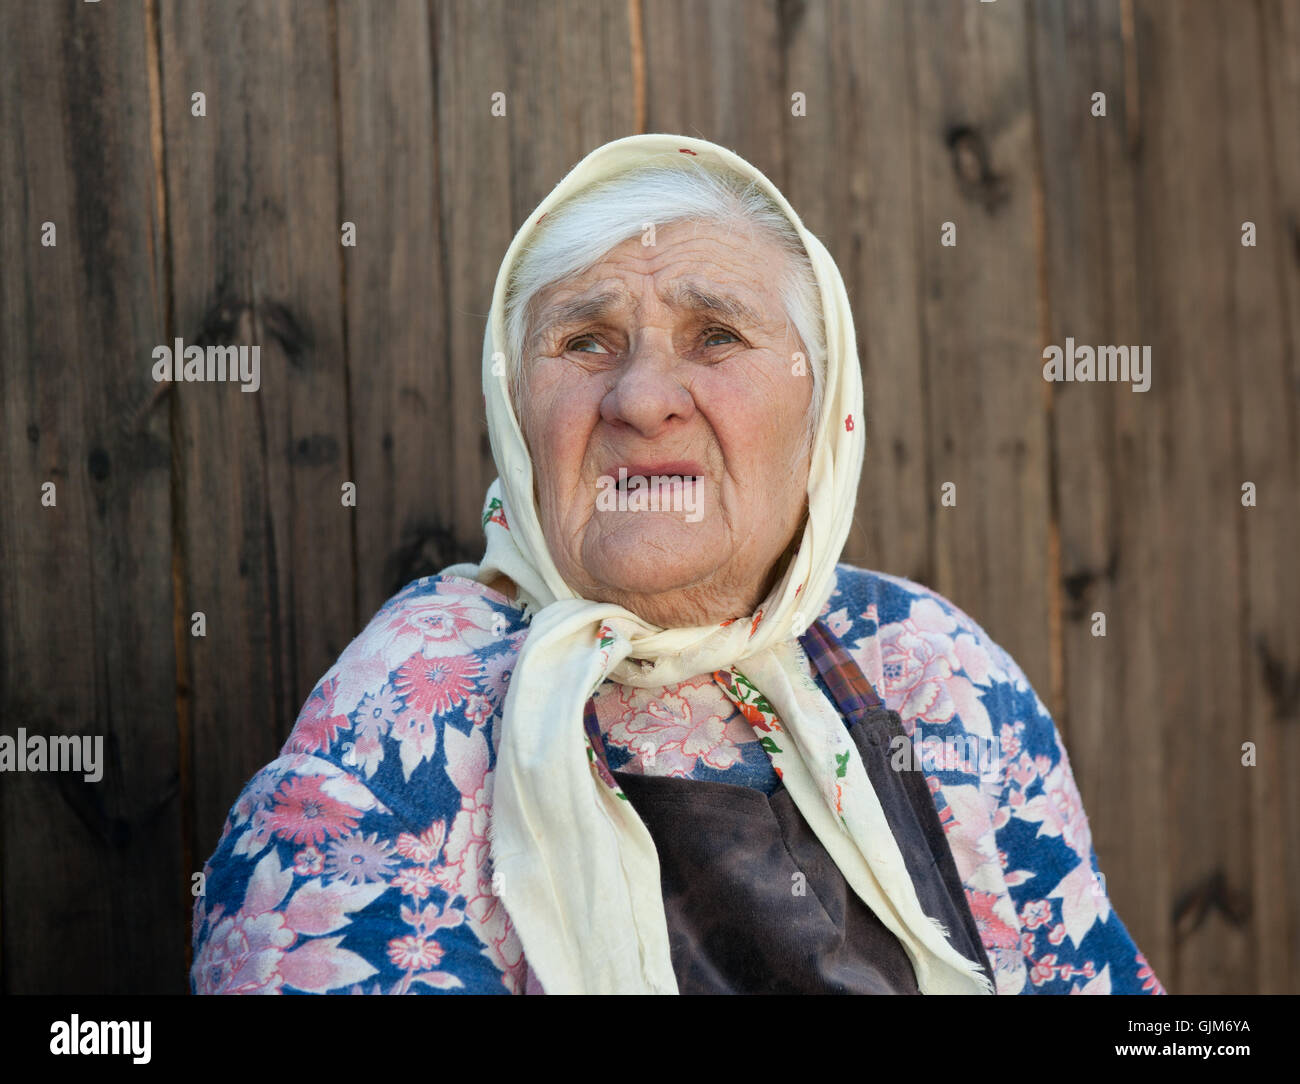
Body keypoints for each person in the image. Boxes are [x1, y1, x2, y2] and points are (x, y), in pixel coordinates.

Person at [190, 133, 1163, 995]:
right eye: (585, 341)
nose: (643, 397)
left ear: (820, 409)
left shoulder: (932, 667)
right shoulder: (409, 716)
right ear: (516, 412)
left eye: (717, 336)